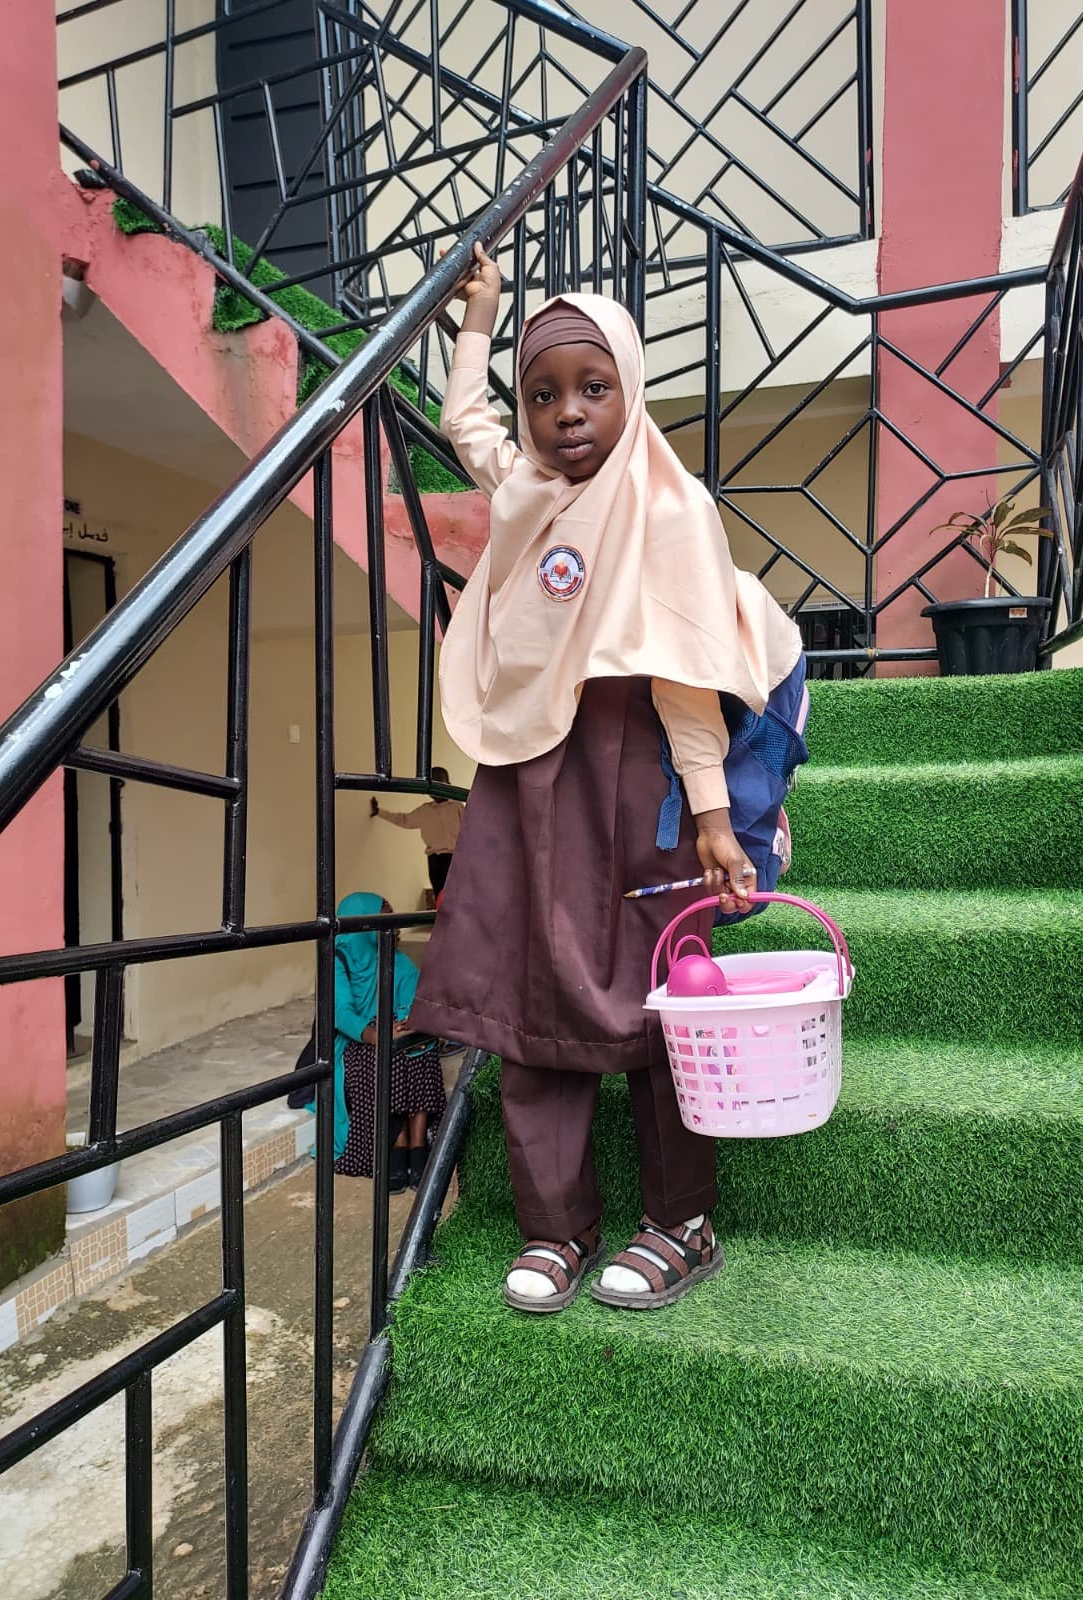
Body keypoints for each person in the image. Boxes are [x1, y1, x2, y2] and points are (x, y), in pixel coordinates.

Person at [408, 246, 802, 1314]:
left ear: (630, 388)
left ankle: (681, 1221)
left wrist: (715, 819)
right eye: (544, 395)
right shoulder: (530, 491)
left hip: (635, 776)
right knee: (528, 998)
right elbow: (467, 431)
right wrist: (476, 325)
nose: (566, 413)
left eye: (592, 387)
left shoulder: (667, 511)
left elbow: (685, 679)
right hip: (530, 772)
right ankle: (555, 1228)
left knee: (661, 1001)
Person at [314, 891, 446, 1189]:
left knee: (419, 1047)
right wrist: (380, 1034)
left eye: (394, 922)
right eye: (385, 923)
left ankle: (417, 1142)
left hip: (393, 1033)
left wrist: (410, 1022)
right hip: (354, 1040)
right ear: (361, 925)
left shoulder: (398, 961)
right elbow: (341, 1013)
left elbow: (414, 1001)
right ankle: (397, 1141)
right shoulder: (337, 959)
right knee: (385, 1055)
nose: (396, 929)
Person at [370, 768, 464, 898]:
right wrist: (379, 812)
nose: (436, 789)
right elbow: (404, 820)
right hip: (436, 861)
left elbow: (470, 831)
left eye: (440, 783)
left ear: (448, 783)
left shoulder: (457, 807)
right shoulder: (425, 811)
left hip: (457, 858)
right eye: (432, 785)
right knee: (442, 899)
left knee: (461, 896)